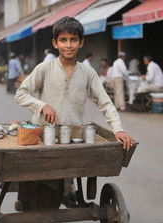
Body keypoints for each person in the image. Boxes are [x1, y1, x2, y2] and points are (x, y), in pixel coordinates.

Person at [15, 17, 134, 211]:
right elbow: (21, 94)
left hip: (71, 137)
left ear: (81, 42)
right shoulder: (44, 68)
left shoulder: (88, 73)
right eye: (63, 40)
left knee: (67, 168)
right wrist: (42, 105)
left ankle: (67, 190)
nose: (68, 45)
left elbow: (105, 102)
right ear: (55, 43)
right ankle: (27, 198)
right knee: (34, 176)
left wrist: (118, 130)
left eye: (73, 40)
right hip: (42, 136)